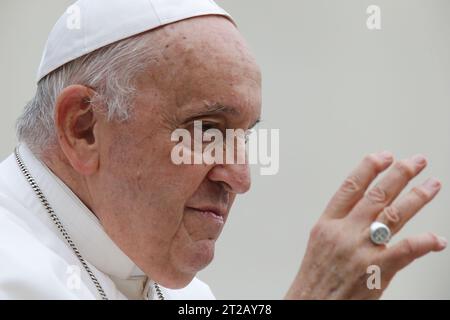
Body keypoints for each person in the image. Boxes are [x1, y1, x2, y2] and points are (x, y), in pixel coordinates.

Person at [0, 0, 446, 300]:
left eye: (244, 135)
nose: (241, 177)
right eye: (207, 129)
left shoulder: (183, 292)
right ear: (84, 128)